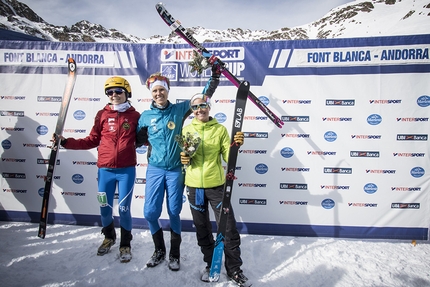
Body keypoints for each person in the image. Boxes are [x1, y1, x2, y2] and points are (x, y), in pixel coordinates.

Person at [136, 66, 220, 271]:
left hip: (175, 169)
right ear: (151, 93)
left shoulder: (179, 110)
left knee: (174, 210)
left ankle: (174, 253)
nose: (159, 93)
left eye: (162, 89)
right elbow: (135, 139)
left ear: (167, 90)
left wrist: (215, 77)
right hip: (155, 169)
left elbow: (202, 98)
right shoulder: (145, 116)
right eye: (155, 91)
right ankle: (159, 250)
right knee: (150, 213)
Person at [55, 76, 140, 263]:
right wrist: (66, 142)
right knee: (104, 207)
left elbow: (146, 139)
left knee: (124, 208)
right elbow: (92, 139)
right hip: (105, 170)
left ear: (127, 93)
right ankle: (109, 237)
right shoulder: (102, 115)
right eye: (110, 92)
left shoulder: (135, 116)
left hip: (126, 170)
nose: (114, 95)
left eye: (118, 91)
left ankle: (126, 242)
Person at [180, 93, 249, 286]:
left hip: (217, 186)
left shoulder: (219, 130)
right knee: (202, 229)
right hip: (194, 187)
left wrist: (236, 146)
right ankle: (211, 264)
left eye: (203, 105)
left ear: (209, 107)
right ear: (191, 111)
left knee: (228, 229)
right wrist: (183, 158)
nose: (199, 110)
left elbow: (228, 157)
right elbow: (184, 155)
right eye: (195, 107)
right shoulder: (186, 130)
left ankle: (234, 269)